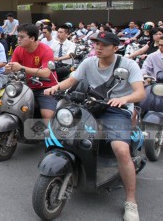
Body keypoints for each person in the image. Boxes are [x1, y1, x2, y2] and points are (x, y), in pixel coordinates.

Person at [45, 31, 145, 221]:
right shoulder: (89, 62)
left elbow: (140, 93)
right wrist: (55, 88)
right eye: (95, 44)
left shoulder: (128, 65)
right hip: (90, 104)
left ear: (116, 48)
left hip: (117, 109)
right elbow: (72, 80)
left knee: (121, 149)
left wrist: (124, 99)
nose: (98, 47)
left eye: (103, 44)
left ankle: (131, 201)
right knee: (66, 130)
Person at [5, 24, 58, 124]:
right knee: (7, 104)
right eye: (18, 36)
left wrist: (21, 68)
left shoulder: (46, 50)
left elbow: (46, 73)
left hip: (45, 87)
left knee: (47, 115)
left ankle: (49, 138)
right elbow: (12, 68)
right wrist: (8, 68)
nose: (18, 39)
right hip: (25, 86)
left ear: (32, 38)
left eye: (22, 37)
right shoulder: (18, 49)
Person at [139, 34, 163, 117]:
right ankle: (137, 116)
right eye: (159, 45)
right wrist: (145, 77)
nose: (160, 47)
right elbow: (144, 69)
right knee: (140, 101)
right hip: (154, 84)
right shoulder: (152, 56)